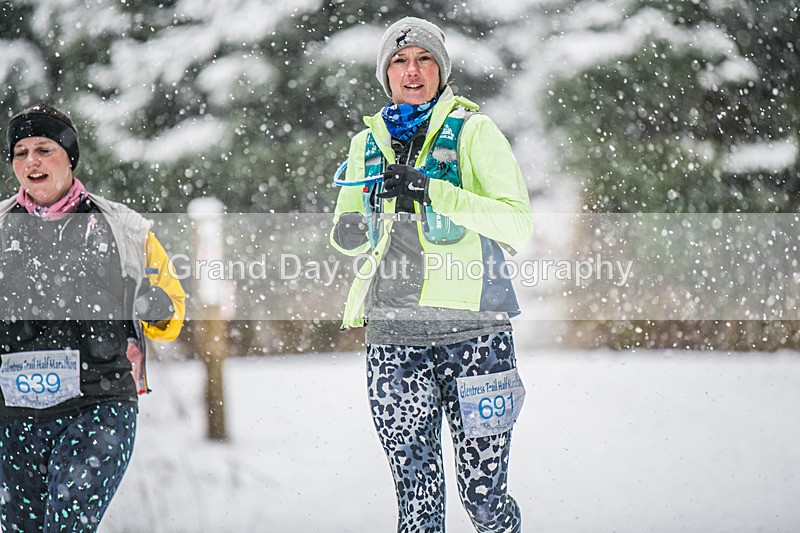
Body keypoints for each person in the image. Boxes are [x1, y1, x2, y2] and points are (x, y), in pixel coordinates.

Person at [330, 17, 532, 533]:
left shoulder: (475, 131)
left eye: (424, 59)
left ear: (441, 70)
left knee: (484, 502)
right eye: (399, 60)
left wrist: (432, 191)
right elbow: (344, 226)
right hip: (393, 338)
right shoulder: (365, 143)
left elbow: (517, 223)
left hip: (476, 335)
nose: (412, 70)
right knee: (417, 507)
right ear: (386, 73)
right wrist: (352, 226)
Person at [0, 103, 185, 532]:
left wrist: (155, 306)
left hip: (98, 405)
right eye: (20, 152)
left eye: (44, 148)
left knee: (67, 525)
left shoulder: (125, 228)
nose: (31, 161)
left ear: (69, 156)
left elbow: (171, 314)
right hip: (13, 416)